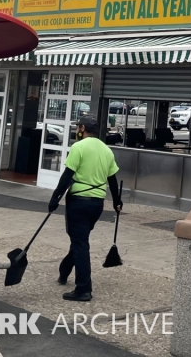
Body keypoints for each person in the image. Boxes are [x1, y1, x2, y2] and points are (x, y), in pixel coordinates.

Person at [48, 115, 121, 302]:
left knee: (80, 243)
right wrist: (117, 201)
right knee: (80, 239)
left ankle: (83, 289)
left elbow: (67, 175)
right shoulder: (107, 150)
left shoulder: (78, 147)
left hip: (78, 202)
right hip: (97, 204)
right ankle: (64, 270)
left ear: (82, 128)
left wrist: (55, 197)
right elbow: (112, 179)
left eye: (78, 127)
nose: (76, 130)